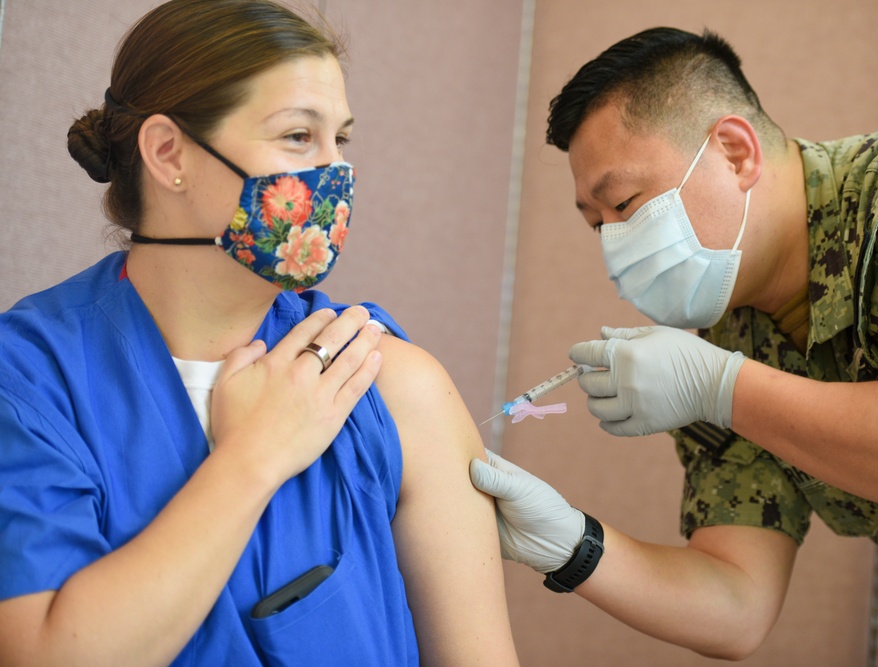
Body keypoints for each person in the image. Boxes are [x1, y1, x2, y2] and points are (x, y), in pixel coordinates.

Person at [0, 1, 520, 665]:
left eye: (342, 141)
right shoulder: (27, 379)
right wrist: (256, 457)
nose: (336, 175)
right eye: (300, 137)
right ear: (168, 153)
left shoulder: (391, 384)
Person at [471, 26, 878, 667]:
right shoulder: (726, 343)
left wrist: (721, 388)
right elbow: (736, 606)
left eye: (626, 203)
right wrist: (572, 546)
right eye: (596, 225)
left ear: (734, 151)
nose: (615, 244)